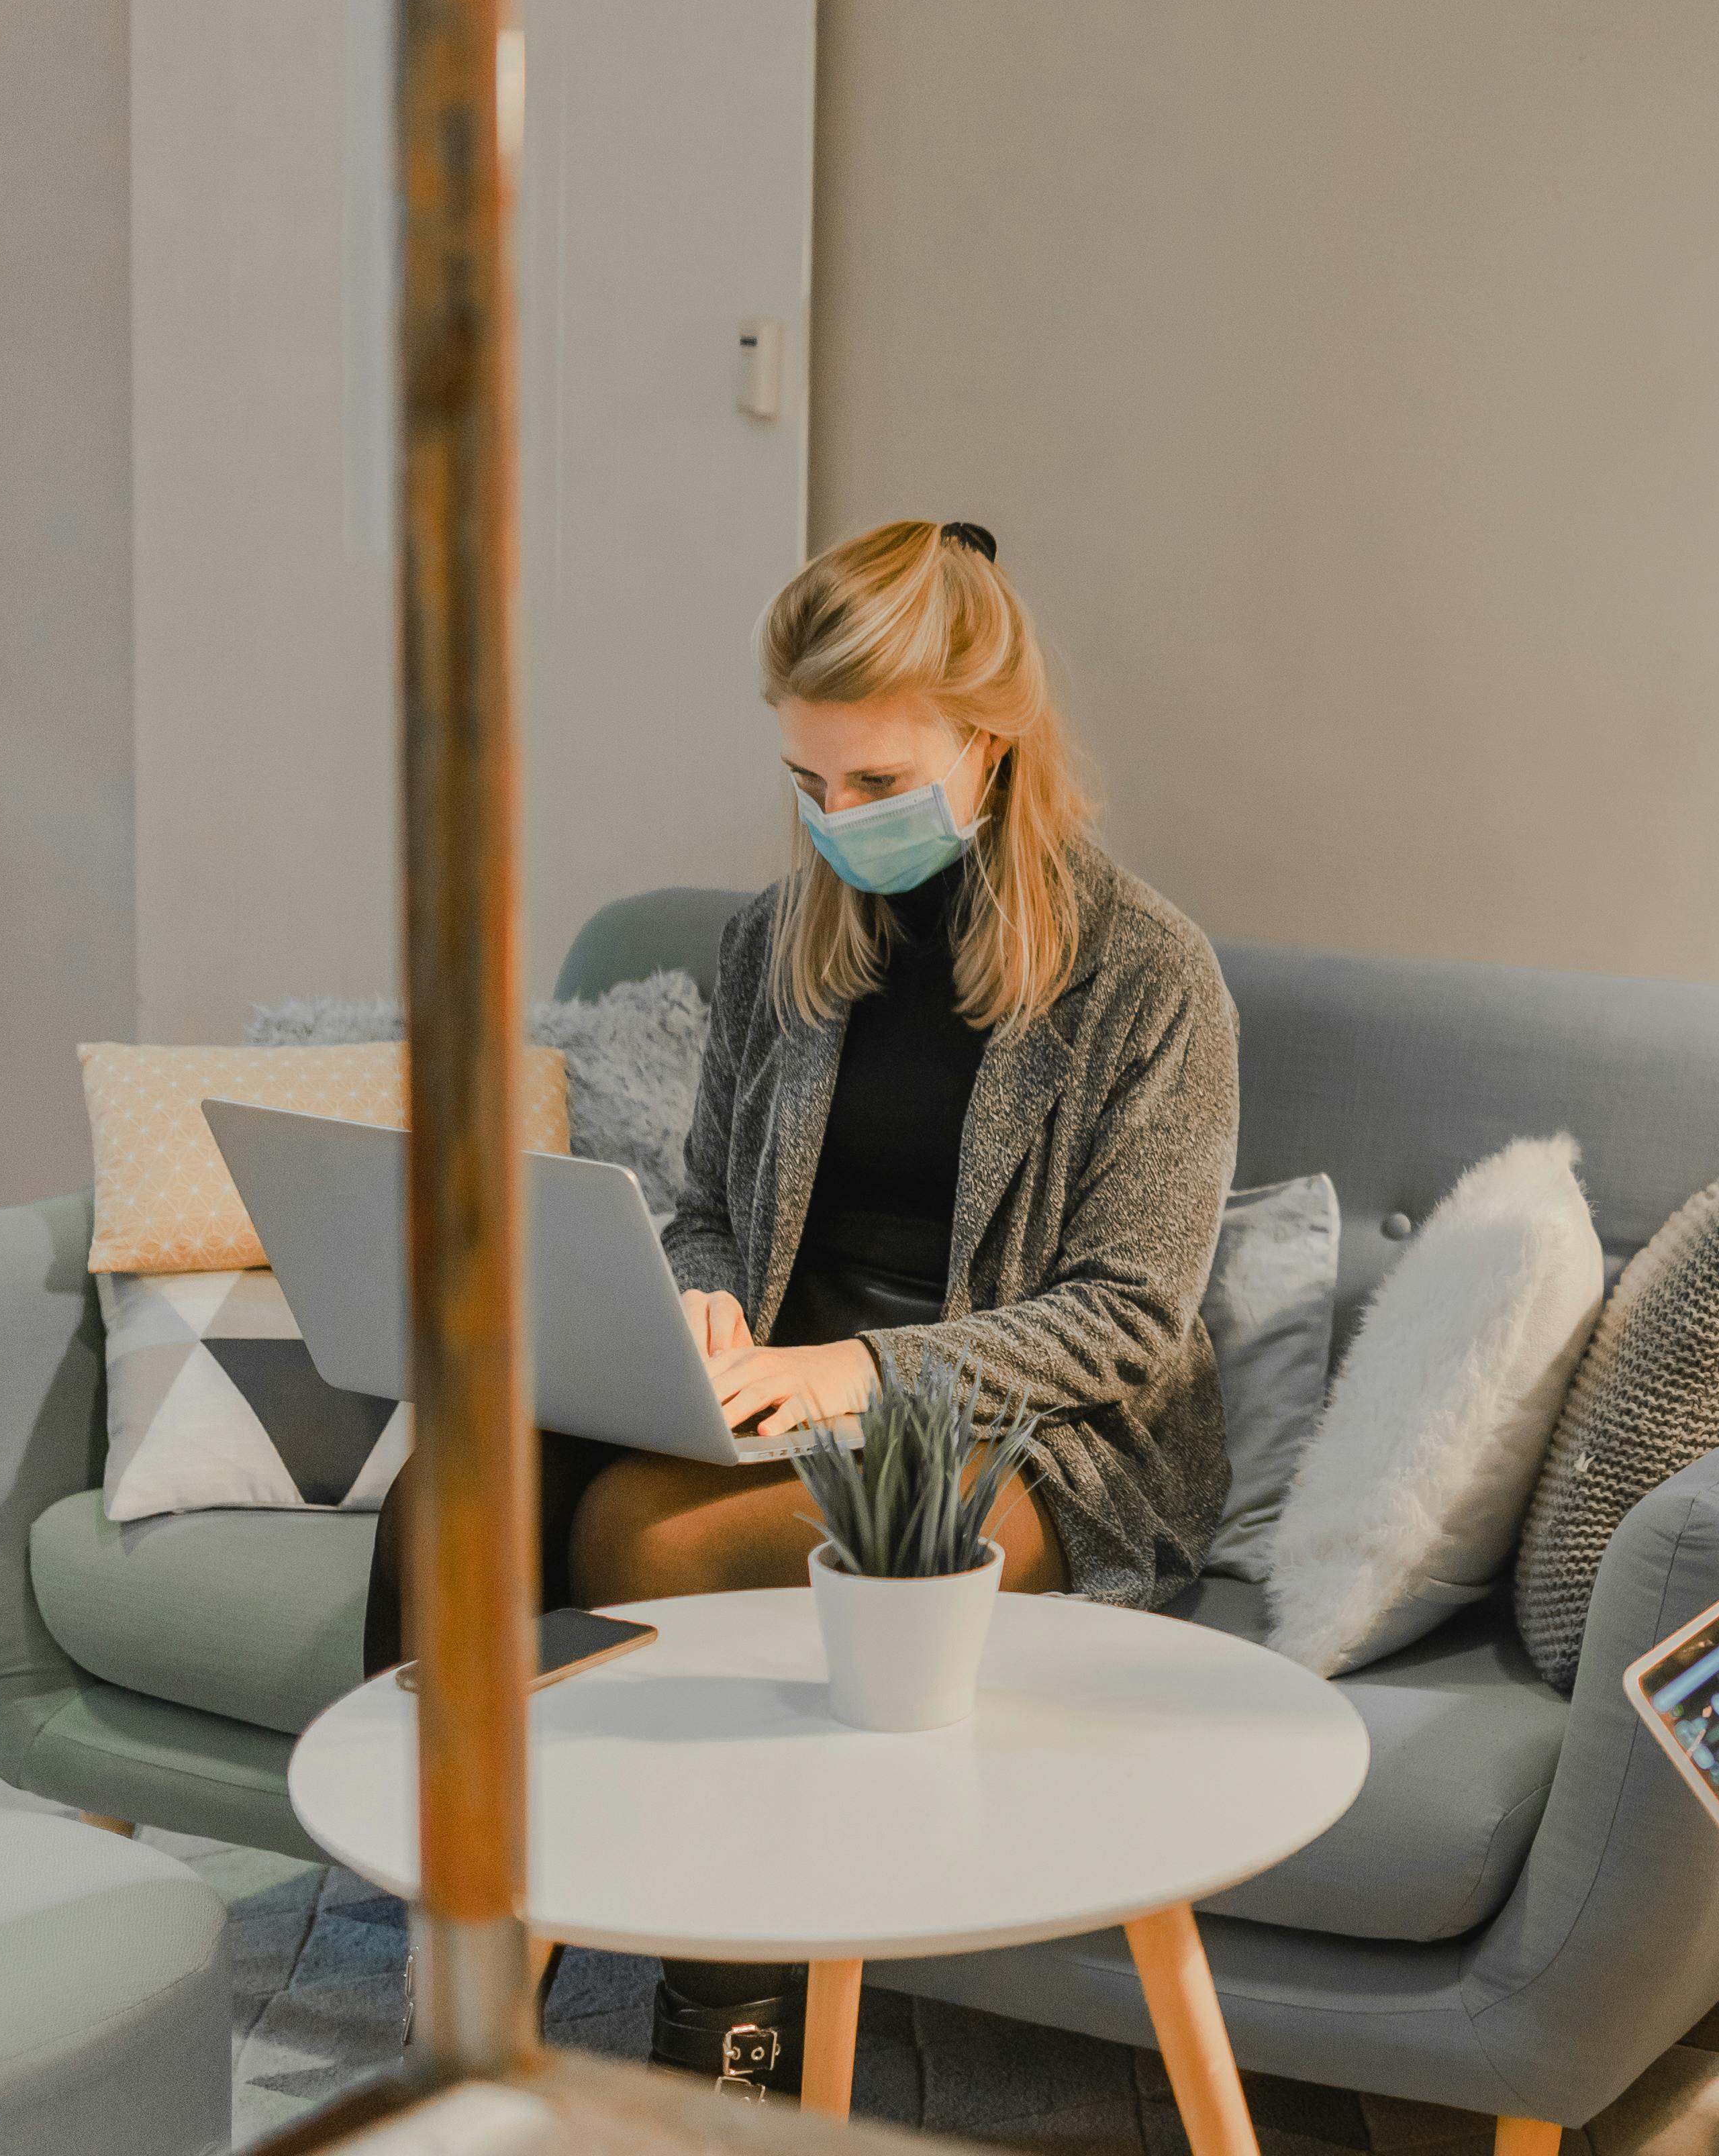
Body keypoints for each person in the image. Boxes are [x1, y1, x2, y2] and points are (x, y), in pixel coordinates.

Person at [358, 517, 1239, 2082]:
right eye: (809, 783)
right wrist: (699, 1308)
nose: (838, 819)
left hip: (1036, 1436)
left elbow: (1129, 1317)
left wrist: (858, 1368)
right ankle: (465, 1939)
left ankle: (732, 2041)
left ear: (993, 739)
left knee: (649, 1536)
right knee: (452, 1490)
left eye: (880, 782)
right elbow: (710, 1204)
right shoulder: (779, 942)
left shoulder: (1147, 976)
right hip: (771, 1380)